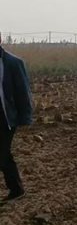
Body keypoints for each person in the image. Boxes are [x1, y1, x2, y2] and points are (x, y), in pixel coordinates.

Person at [0, 35, 32, 202]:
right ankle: (17, 190)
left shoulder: (13, 63)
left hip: (6, 118)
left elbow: (23, 91)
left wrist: (25, 116)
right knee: (4, 155)